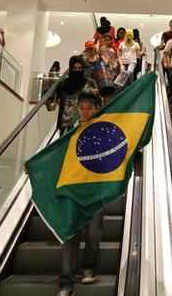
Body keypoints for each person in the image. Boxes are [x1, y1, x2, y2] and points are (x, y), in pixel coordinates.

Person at [58, 92, 104, 296]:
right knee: (71, 236)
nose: (85, 111)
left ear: (96, 109)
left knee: (93, 234)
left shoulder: (102, 131)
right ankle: (66, 282)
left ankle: (88, 268)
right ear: (78, 109)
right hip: (73, 191)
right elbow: (57, 156)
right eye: (82, 107)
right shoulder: (70, 131)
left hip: (96, 192)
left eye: (89, 108)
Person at [48, 56, 98, 135]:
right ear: (71, 68)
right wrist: (51, 104)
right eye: (75, 68)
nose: (77, 70)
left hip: (85, 122)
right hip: (66, 123)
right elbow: (53, 100)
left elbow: (97, 102)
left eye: (80, 68)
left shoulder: (89, 83)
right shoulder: (63, 84)